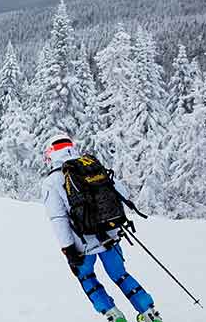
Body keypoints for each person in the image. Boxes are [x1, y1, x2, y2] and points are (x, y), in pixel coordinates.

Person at [41, 134, 162, 322]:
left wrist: (68, 248)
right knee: (120, 275)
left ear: (50, 154)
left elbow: (58, 218)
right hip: (110, 235)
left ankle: (112, 314)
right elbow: (122, 193)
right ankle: (149, 312)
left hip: (82, 245)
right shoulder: (92, 166)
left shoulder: (52, 181)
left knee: (87, 277)